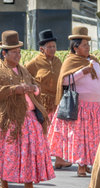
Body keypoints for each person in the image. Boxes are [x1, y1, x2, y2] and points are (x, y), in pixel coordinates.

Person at [0, 30, 55, 188]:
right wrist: (14, 90)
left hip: (28, 116)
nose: (18, 55)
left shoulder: (23, 70)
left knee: (29, 153)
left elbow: (36, 87)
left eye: (19, 51)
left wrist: (34, 89)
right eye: (14, 52)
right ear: (4, 53)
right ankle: (4, 187)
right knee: (6, 153)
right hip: (7, 118)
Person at [48, 26, 100, 176]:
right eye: (84, 45)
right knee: (82, 138)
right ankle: (81, 166)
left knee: (95, 137)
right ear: (76, 48)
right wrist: (82, 72)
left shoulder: (93, 61)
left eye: (88, 44)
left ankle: (91, 162)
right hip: (82, 107)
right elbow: (64, 81)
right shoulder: (71, 61)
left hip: (97, 108)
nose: (88, 47)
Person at [25, 29, 68, 168]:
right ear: (41, 49)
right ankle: (43, 160)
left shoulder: (58, 62)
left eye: (54, 46)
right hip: (41, 103)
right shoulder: (34, 63)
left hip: (56, 102)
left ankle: (59, 159)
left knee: (58, 131)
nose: (52, 49)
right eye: (49, 47)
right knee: (42, 132)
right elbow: (25, 77)